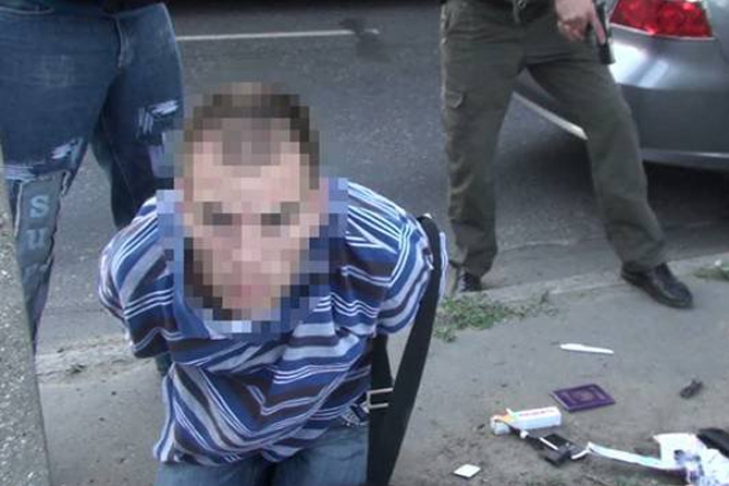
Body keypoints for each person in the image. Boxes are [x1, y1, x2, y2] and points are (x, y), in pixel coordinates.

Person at [98, 83, 443, 486]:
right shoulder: (142, 267)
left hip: (331, 411)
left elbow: (398, 307)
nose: (248, 255)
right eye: (220, 220)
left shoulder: (381, 252)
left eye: (276, 220)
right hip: (213, 426)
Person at [440, 0, 694, 308]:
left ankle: (643, 259)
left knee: (613, 122)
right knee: (471, 146)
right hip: (481, 22)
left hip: (551, 23)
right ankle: (470, 263)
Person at [0, 0, 183, 354]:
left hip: (142, 15)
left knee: (169, 215)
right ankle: (10, 380)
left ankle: (183, 370)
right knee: (26, 234)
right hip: (36, 20)